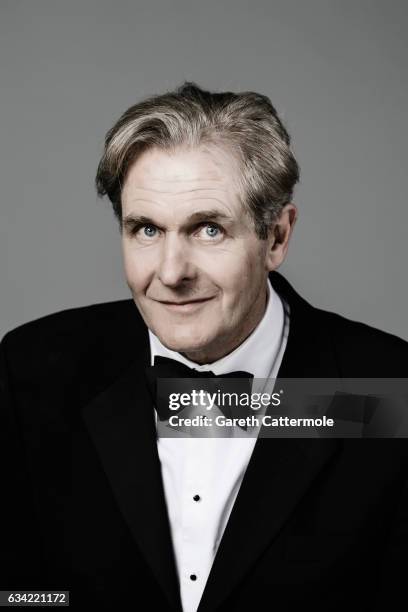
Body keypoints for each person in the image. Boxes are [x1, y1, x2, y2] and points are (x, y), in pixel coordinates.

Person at [1, 82, 407, 612]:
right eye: (146, 229)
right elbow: (19, 595)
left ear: (277, 237)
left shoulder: (386, 392)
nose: (171, 273)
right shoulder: (31, 368)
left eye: (208, 230)